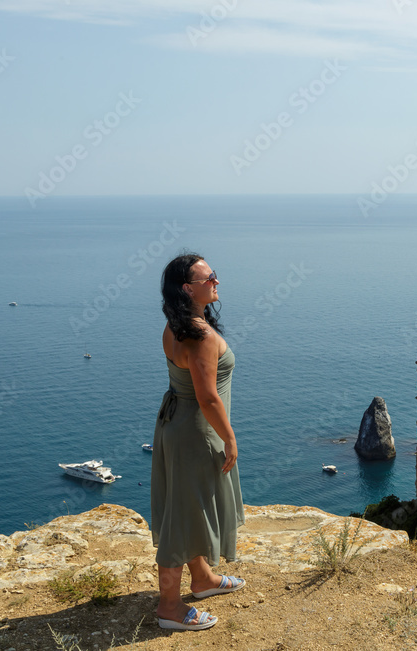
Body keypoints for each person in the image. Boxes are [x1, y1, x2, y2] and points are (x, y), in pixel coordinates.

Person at [150, 253, 246, 631]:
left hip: (174, 424)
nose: (217, 282)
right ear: (188, 288)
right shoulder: (201, 335)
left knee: (190, 508)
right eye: (210, 278)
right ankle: (169, 607)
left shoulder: (174, 327)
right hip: (196, 432)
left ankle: (203, 578)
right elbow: (208, 398)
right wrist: (230, 438)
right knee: (183, 517)